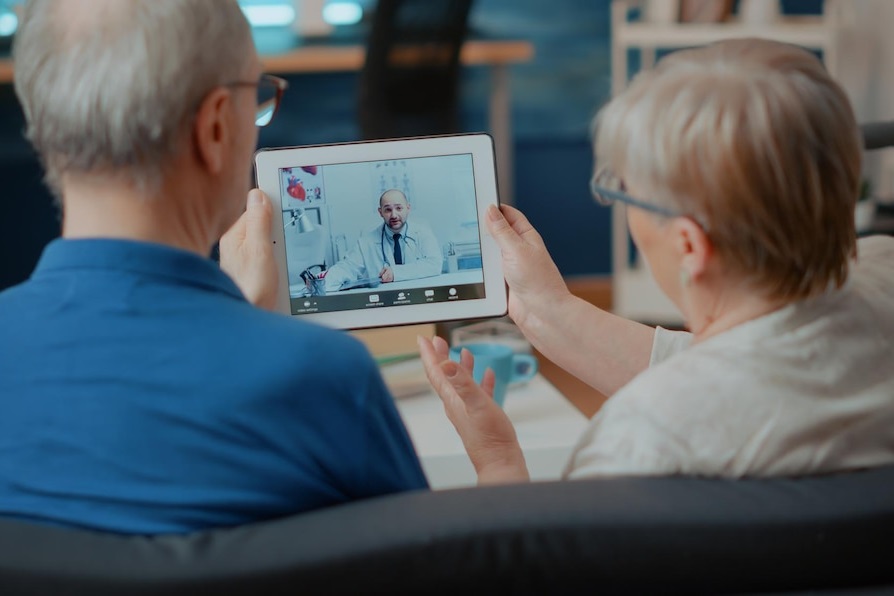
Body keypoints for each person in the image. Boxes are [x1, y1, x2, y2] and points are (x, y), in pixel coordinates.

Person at [0, 0, 427, 535]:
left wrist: (241, 311)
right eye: (259, 99)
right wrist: (499, 462)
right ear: (217, 127)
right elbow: (423, 569)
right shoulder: (323, 375)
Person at [418, 38, 894, 485]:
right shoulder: (885, 273)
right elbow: (745, 362)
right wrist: (547, 310)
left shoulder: (643, 438)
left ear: (689, 245)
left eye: (624, 191)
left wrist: (497, 457)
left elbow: (540, 570)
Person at [323, 188, 442, 291]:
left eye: (399, 208)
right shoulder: (366, 242)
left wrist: (395, 273)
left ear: (408, 208)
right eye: (388, 210)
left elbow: (434, 264)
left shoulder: (423, 233)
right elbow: (346, 268)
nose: (394, 215)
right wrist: (320, 281)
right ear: (380, 212)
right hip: (383, 304)